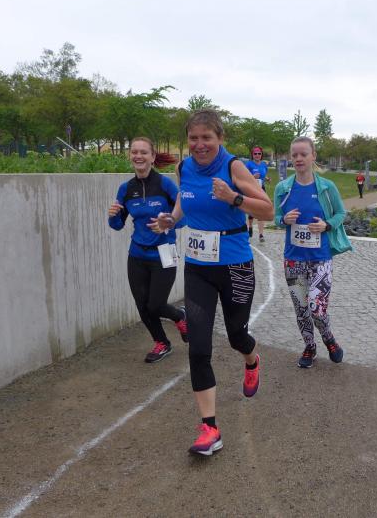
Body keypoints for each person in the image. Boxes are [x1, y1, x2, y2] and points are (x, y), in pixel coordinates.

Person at [150, 110, 274, 456]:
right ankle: (209, 428)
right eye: (194, 138)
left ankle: (252, 360)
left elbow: (268, 211)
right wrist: (170, 220)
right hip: (198, 269)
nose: (200, 144)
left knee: (236, 336)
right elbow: (183, 204)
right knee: (199, 347)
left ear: (220, 139)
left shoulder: (234, 167)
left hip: (235, 265)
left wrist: (233, 197)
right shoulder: (183, 169)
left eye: (207, 137)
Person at [273, 136, 352, 369]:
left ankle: (329, 338)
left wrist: (326, 225)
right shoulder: (283, 188)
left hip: (320, 259)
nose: (298, 159)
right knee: (301, 309)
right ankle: (309, 346)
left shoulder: (327, 187)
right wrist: (284, 220)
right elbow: (276, 218)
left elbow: (341, 214)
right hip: (293, 260)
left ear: (313, 156)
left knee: (316, 307)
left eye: (303, 154)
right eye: (294, 155)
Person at [108, 137, 187, 364]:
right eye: (134, 152)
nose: (138, 156)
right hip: (137, 255)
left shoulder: (165, 185)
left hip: (165, 252)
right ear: (130, 156)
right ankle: (162, 343)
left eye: (143, 152)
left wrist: (167, 223)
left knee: (156, 304)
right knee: (142, 305)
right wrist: (112, 216)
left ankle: (180, 317)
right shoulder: (126, 189)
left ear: (152, 157)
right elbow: (117, 225)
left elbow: (184, 218)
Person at [245, 146, 270, 243]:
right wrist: (252, 176)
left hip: (261, 189)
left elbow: (264, 175)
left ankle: (261, 234)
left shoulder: (264, 165)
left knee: (261, 210)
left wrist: (267, 179)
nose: (257, 155)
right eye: (255, 153)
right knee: (252, 210)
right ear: (252, 155)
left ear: (261, 155)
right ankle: (250, 227)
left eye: (259, 153)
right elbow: (244, 177)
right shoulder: (249, 164)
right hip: (252, 189)